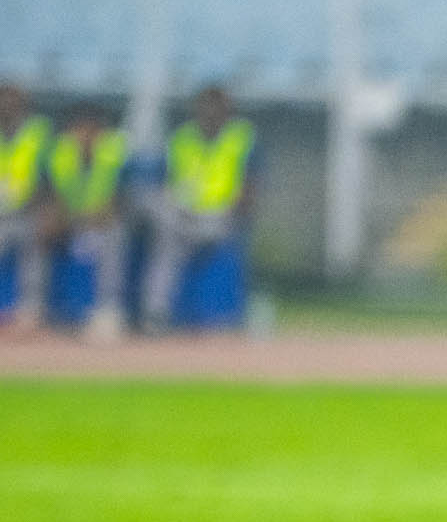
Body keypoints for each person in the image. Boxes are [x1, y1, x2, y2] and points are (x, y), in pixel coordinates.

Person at [142, 85, 260, 333]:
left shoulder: (241, 137)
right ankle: (155, 314)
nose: (211, 114)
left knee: (180, 231)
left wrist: (236, 209)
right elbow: (163, 183)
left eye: (217, 108)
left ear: (227, 111)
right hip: (182, 217)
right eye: (206, 108)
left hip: (221, 218)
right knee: (163, 227)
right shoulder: (182, 138)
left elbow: (250, 187)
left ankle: (221, 317)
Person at [39, 105, 132, 340]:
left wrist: (101, 215)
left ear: (101, 131)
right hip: (70, 222)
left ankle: (108, 310)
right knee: (36, 232)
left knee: (115, 235)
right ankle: (35, 307)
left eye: (92, 130)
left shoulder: (115, 152)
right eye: (80, 130)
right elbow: (49, 195)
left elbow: (123, 199)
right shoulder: (60, 154)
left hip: (102, 223)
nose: (86, 136)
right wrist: (54, 216)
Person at [0, 82, 53, 333]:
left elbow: (51, 175)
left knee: (36, 239)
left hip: (28, 212)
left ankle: (30, 310)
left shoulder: (38, 132)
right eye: (3, 101)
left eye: (12, 101)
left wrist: (48, 209)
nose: (6, 106)